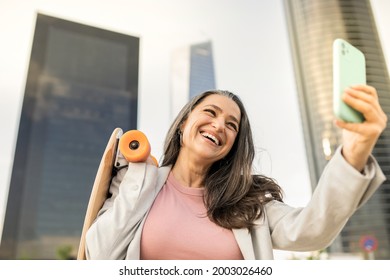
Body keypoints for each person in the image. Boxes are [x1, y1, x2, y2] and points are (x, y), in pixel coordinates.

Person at [85, 85, 387, 260]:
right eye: (210, 113)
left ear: (232, 145)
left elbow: (311, 230)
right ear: (183, 123)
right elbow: (100, 253)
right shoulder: (137, 182)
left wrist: (355, 152)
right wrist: (138, 175)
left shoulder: (249, 204)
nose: (219, 126)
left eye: (232, 125)